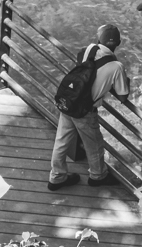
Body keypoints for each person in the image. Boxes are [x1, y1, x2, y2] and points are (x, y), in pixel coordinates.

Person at [48, 23, 131, 191]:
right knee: (94, 145)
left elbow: (82, 61)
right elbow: (122, 95)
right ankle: (98, 176)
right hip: (85, 111)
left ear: (98, 39)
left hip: (69, 101)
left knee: (61, 142)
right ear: (118, 43)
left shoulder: (90, 49)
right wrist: (122, 81)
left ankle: (56, 177)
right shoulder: (117, 67)